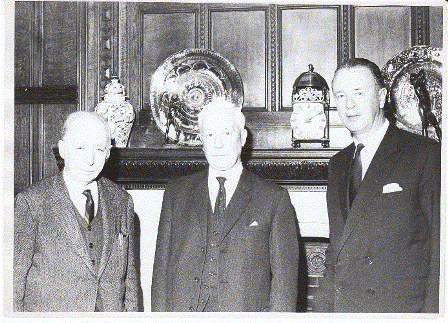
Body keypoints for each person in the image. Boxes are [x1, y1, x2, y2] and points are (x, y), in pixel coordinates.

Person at [313, 58, 440, 312]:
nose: (349, 105)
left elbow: (442, 252)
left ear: (382, 97)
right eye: (341, 95)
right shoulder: (337, 165)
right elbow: (337, 248)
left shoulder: (425, 154)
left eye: (359, 93)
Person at [151, 97, 300, 312]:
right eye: (210, 135)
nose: (218, 144)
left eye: (227, 134)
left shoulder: (273, 198)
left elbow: (284, 284)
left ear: (243, 138)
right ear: (201, 140)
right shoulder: (177, 193)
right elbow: (161, 273)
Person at [14, 111, 140, 312]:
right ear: (63, 150)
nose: (90, 160)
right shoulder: (31, 202)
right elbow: (13, 283)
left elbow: (130, 279)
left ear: (108, 153)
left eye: (99, 149)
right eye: (80, 147)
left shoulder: (121, 201)